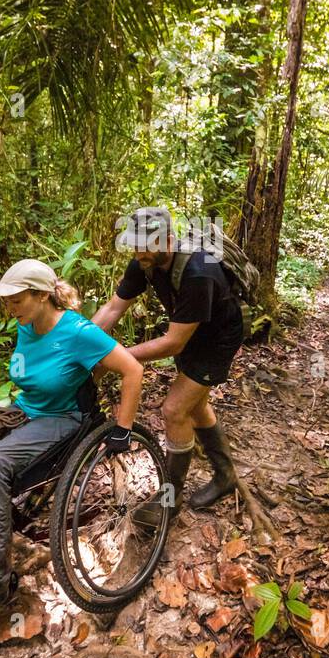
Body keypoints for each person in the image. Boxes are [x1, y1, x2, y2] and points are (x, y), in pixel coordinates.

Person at [0, 258, 143, 637]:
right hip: (25, 411)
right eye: (7, 302)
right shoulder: (26, 324)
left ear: (42, 296)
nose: (9, 308)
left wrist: (123, 429)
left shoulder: (77, 331)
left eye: (15, 300)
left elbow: (132, 369)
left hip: (63, 418)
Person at [91, 207, 244, 526]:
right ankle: (225, 475)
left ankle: (169, 502)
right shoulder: (144, 261)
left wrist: (116, 357)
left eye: (145, 244)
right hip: (189, 331)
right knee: (195, 407)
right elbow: (113, 307)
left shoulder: (199, 271)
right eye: (134, 244)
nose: (138, 252)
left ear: (168, 240)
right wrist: (84, 346)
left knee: (175, 409)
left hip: (216, 339)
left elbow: (172, 343)